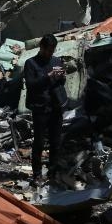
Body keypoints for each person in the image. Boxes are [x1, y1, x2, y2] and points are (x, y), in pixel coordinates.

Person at [23, 33, 66, 185]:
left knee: (56, 141)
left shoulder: (56, 61)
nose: (50, 53)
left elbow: (62, 82)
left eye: (52, 50)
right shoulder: (31, 63)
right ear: (41, 47)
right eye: (48, 50)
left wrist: (60, 75)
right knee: (39, 142)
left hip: (56, 106)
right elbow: (31, 84)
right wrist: (48, 76)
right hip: (40, 107)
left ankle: (53, 172)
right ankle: (37, 174)